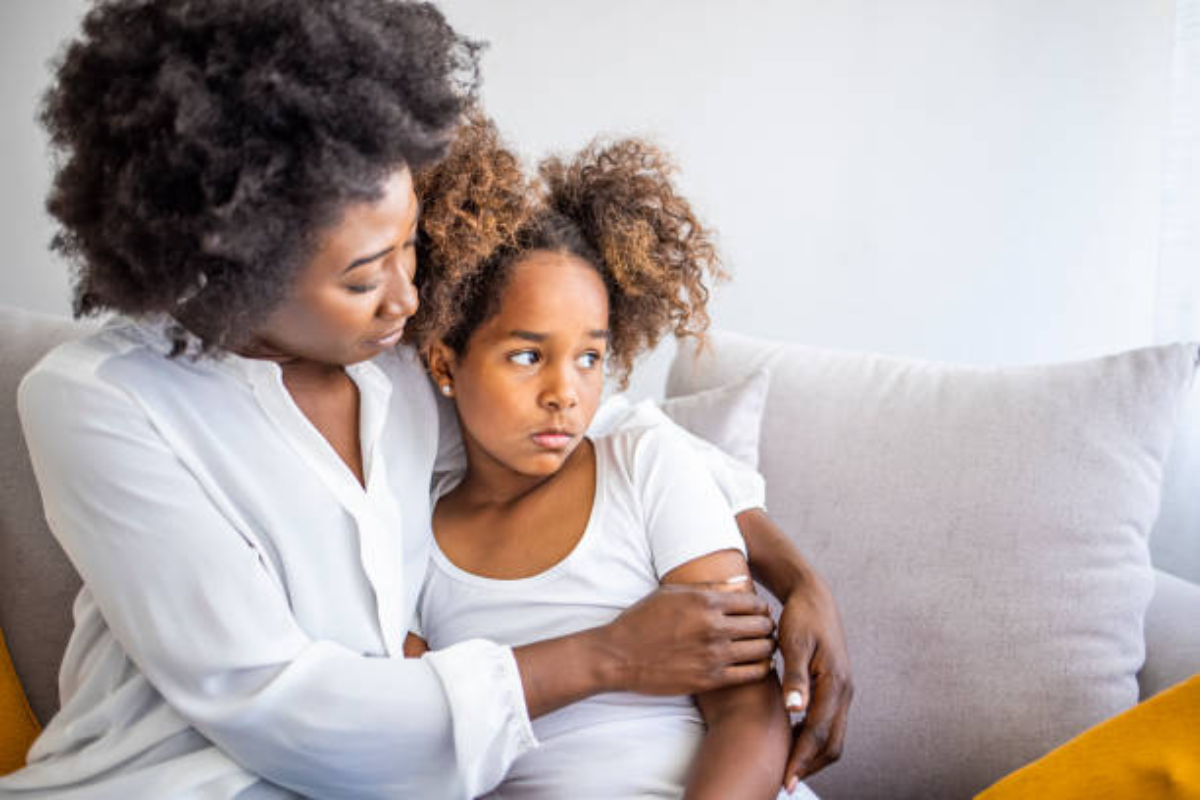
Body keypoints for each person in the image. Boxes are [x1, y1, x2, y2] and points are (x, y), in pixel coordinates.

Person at [0, 1, 850, 798]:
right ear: (232, 265)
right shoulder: (100, 401)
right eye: (365, 276)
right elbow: (267, 699)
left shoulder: (396, 366)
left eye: (409, 247)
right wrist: (606, 657)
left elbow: (602, 422)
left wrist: (800, 581)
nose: (406, 299)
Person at [405, 114, 819, 799]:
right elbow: (416, 745)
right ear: (446, 362)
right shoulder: (409, 535)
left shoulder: (643, 463)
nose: (564, 393)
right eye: (527, 355)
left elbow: (749, 712)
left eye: (590, 357)